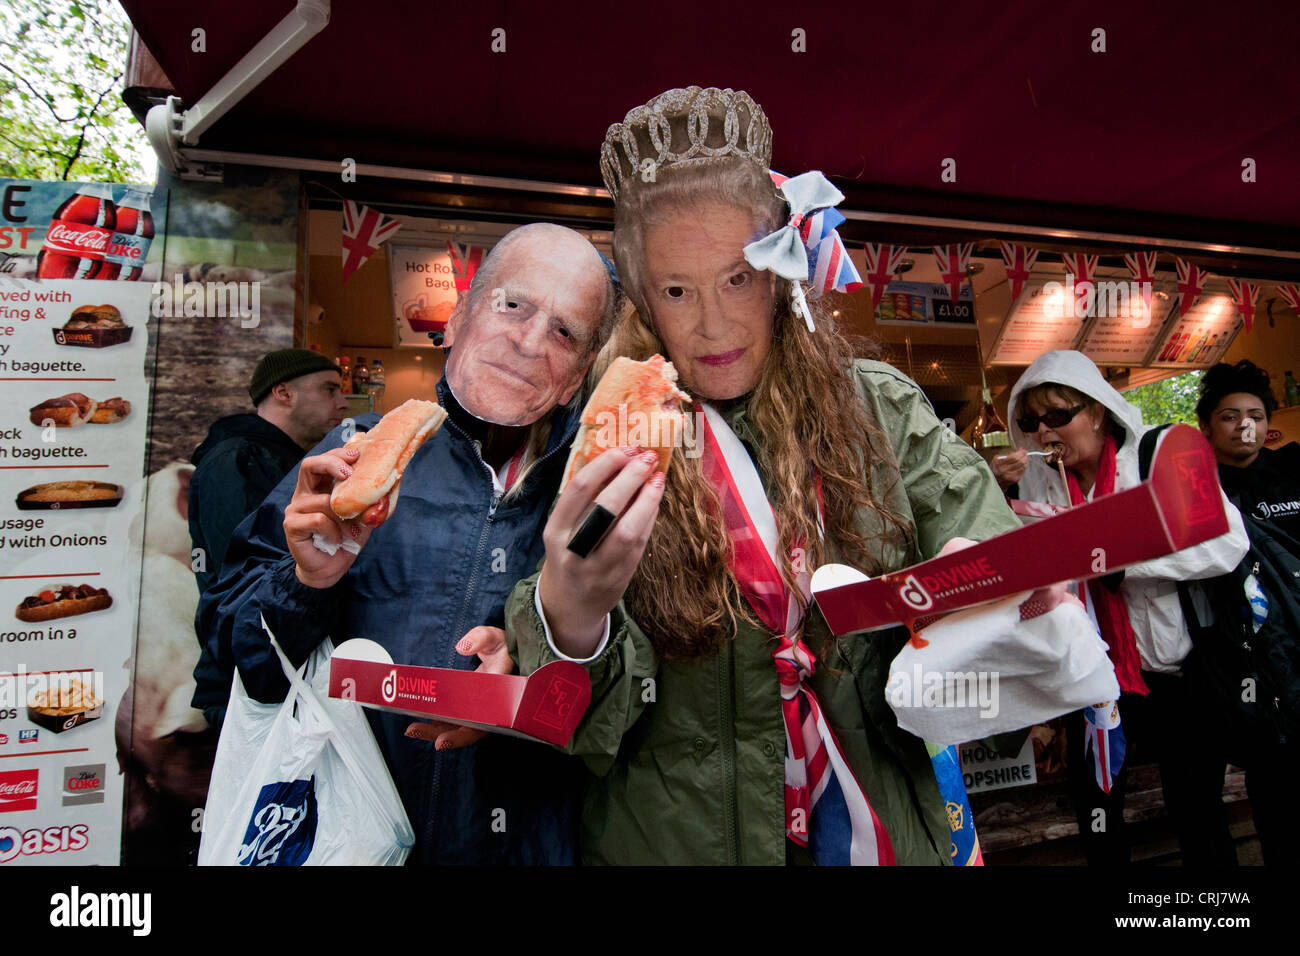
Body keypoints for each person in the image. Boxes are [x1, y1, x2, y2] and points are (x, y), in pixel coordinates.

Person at [499, 87, 1107, 866]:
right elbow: (564, 721)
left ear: (779, 274)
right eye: (677, 291)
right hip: (669, 836)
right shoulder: (606, 428)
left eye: (736, 280)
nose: (710, 324)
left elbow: (978, 554)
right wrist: (569, 615)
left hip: (878, 820)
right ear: (644, 299)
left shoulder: (877, 412)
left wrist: (996, 601)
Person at [195, 223, 620, 864]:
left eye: (565, 331)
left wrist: (535, 662)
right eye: (513, 305)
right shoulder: (352, 454)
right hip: (343, 832)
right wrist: (306, 582)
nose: (531, 342)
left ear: (579, 372)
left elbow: (630, 705)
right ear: (463, 314)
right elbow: (234, 656)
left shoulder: (602, 494)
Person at [993, 349, 1248, 865]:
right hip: (1093, 681)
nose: (1044, 432)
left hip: (1178, 678)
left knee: (1197, 813)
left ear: (1098, 412)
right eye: (1030, 421)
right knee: (1099, 817)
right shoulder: (1037, 484)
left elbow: (1229, 544)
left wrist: (1126, 564)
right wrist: (993, 495)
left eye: (1058, 416)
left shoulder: (1157, 455)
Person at [1195, 359, 1300, 863]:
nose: (1244, 426)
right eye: (1229, 415)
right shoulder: (1195, 493)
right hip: (1249, 669)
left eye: (1255, 414)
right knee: (1277, 798)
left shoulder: (1292, 470)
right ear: (1207, 426)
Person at [188, 348, 348, 596]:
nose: (343, 403)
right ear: (284, 393)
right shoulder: (235, 460)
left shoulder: (290, 458)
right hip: (254, 627)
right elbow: (244, 571)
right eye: (330, 389)